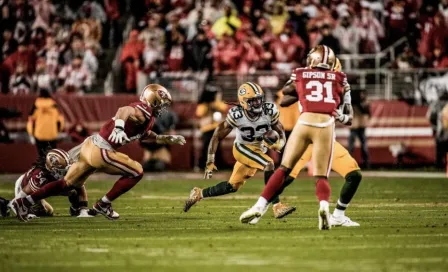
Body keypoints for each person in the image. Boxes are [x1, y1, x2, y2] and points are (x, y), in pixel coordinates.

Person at [10, 84, 186, 222]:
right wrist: (118, 127)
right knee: (137, 171)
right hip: (101, 149)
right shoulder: (143, 110)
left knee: (66, 184)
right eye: (161, 104)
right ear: (153, 101)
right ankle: (103, 204)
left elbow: (144, 136)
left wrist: (166, 139)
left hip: (92, 145)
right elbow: (123, 111)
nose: (163, 108)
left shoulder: (147, 118)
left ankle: (23, 202)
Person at [240, 45, 351, 230]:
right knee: (321, 175)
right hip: (325, 125)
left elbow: (285, 95)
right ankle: (324, 207)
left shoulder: (302, 73)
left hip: (304, 122)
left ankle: (259, 205)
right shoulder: (340, 79)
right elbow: (345, 111)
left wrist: (303, 87)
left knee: (283, 169)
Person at [184, 82, 296, 222]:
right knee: (269, 164)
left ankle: (199, 193)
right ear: (244, 102)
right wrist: (210, 160)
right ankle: (277, 206)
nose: (257, 103)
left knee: (232, 186)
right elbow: (217, 136)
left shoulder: (269, 110)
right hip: (242, 148)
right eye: (253, 101)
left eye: (259, 99)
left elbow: (280, 130)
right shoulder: (237, 115)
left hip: (258, 150)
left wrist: (280, 143)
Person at [277, 58, 362, 227]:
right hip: (306, 140)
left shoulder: (339, 87)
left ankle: (338, 215)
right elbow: (284, 101)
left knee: (354, 175)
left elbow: (348, 118)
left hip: (327, 139)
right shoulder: (310, 82)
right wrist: (300, 91)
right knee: (284, 176)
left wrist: (342, 115)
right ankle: (264, 205)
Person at [6, 149, 93, 219]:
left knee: (73, 188)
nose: (67, 173)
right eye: (62, 171)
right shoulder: (40, 176)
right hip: (24, 187)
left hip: (50, 187)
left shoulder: (65, 169)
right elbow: (19, 198)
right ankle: (4, 204)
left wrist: (83, 209)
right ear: (52, 169)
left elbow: (80, 187)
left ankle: (76, 209)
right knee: (46, 212)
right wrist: (23, 211)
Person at [27, 88, 65, 158]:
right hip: (52, 135)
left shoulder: (36, 106)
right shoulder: (54, 105)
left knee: (41, 156)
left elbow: (31, 120)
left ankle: (43, 167)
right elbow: (60, 120)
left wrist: (31, 132)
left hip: (39, 135)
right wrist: (59, 130)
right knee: (52, 157)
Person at [196, 85, 228, 169]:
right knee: (207, 147)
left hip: (216, 128)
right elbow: (199, 113)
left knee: (217, 147)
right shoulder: (203, 105)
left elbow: (224, 107)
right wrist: (208, 105)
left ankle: (218, 164)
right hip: (206, 129)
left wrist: (214, 103)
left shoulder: (217, 103)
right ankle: (203, 164)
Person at [348, 89, 370, 168]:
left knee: (363, 146)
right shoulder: (353, 104)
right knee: (351, 147)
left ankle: (366, 163)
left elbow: (367, 113)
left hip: (360, 127)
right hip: (354, 127)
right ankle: (348, 163)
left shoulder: (365, 104)